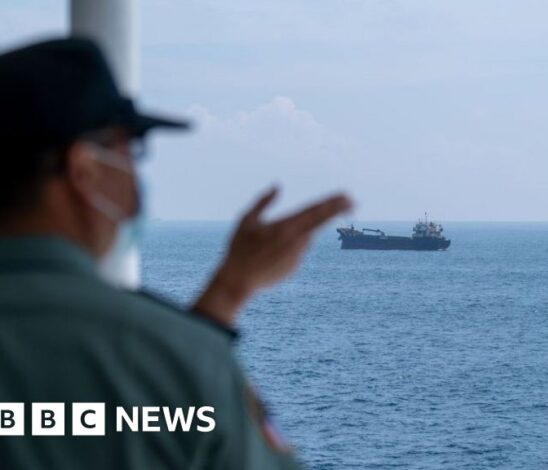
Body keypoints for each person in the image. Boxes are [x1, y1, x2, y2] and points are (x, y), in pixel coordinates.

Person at [0, 38, 351, 469]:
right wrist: (212, 320)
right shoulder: (179, 359)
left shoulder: (178, 355)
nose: (134, 175)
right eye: (131, 150)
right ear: (83, 170)